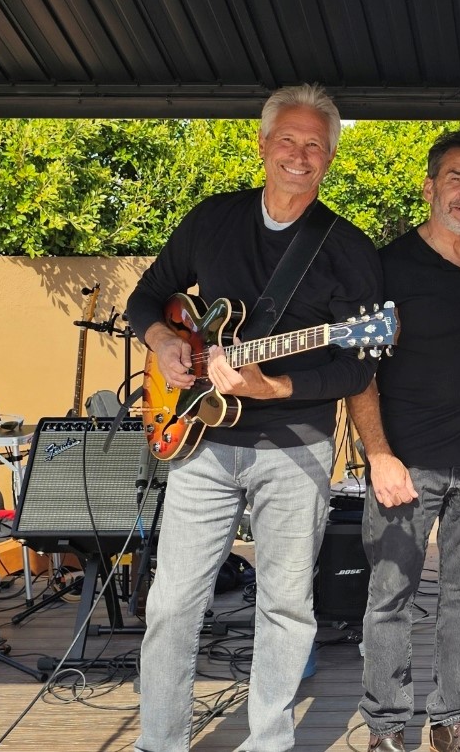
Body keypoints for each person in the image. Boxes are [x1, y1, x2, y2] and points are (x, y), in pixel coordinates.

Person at [126, 83, 383, 752]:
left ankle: (268, 741)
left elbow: (356, 368)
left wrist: (277, 386)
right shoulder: (214, 218)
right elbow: (147, 297)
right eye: (288, 140)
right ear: (264, 144)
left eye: (315, 145)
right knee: (172, 602)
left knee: (286, 607)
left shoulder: (348, 248)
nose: (300, 155)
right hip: (201, 441)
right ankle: (160, 741)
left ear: (330, 158)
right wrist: (166, 343)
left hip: (295, 447)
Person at [349, 129, 460, 752]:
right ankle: (386, 725)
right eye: (456, 179)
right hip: (405, 463)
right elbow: (359, 371)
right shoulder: (387, 266)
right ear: (429, 186)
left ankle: (451, 717)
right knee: (390, 598)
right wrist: (379, 455)